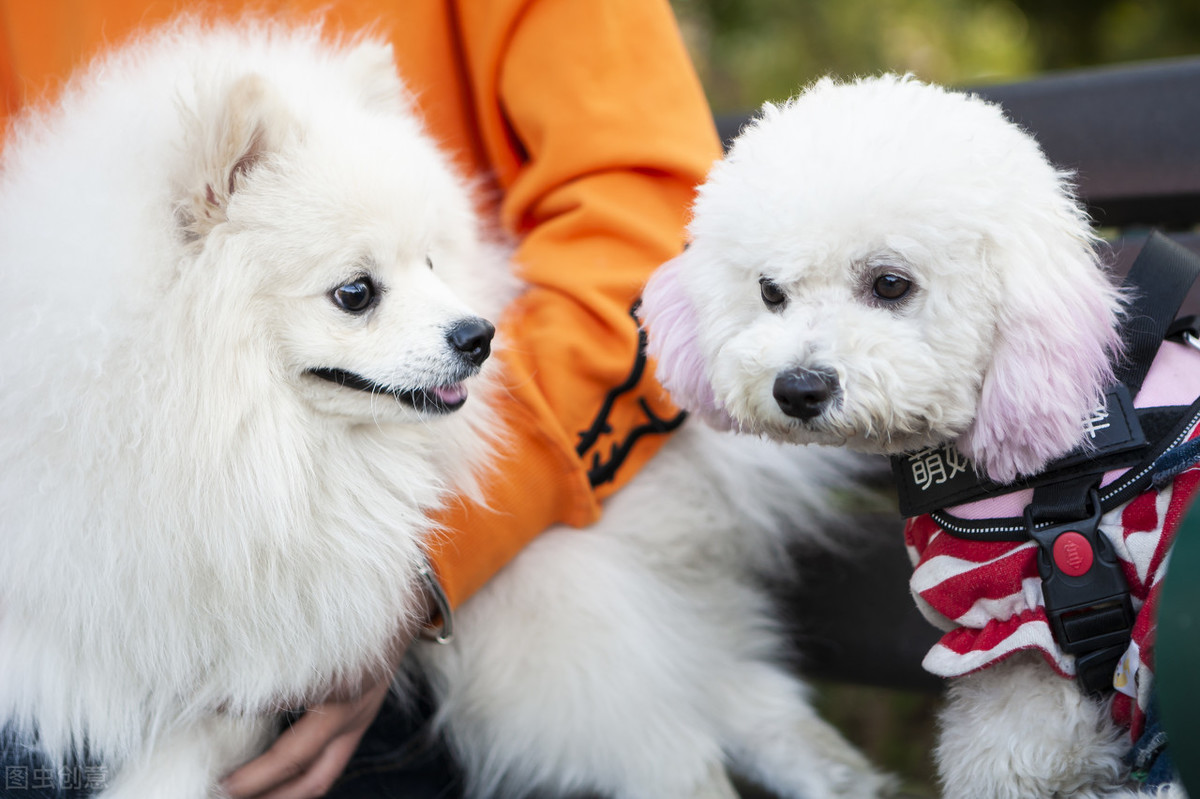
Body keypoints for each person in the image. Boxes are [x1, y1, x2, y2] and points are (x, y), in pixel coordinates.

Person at [0, 2, 721, 796]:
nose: (463, 322)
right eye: (356, 295)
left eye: (427, 270)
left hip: (444, 566)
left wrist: (431, 569)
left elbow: (654, 227)